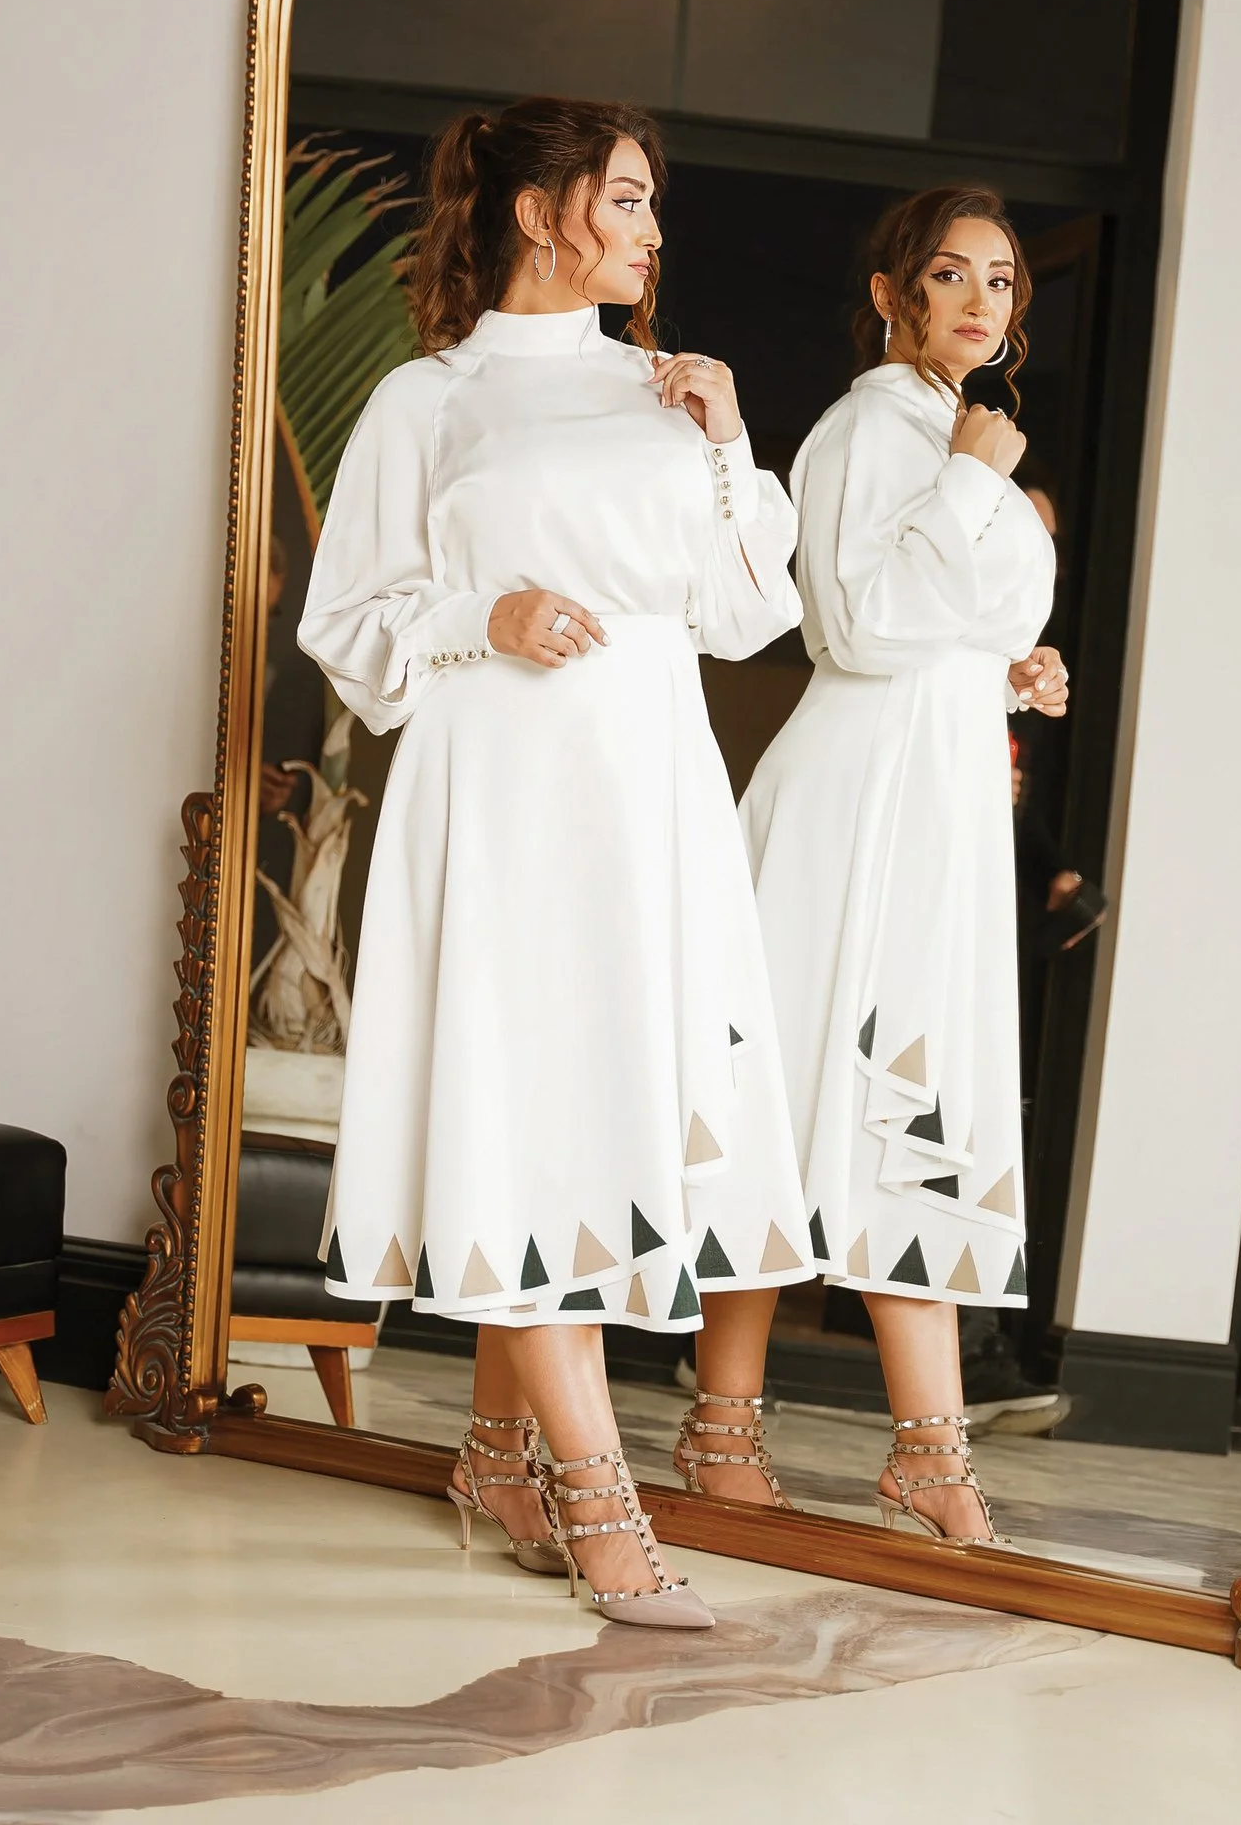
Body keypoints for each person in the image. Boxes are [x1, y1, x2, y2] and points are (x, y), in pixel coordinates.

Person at [297, 97, 812, 1627]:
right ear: (541, 212)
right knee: (531, 1090)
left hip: (649, 769)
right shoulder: (425, 402)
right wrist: (483, 617)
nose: (653, 235)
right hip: (500, 772)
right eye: (630, 200)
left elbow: (746, 611)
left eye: (653, 208)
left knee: (615, 1090)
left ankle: (500, 1460)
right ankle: (599, 1513)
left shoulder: (665, 392)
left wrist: (724, 441)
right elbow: (352, 627)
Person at [688, 185, 1069, 1546]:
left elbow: (959, 618)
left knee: (926, 1096)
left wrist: (1022, 670)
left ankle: (928, 1451)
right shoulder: (868, 429)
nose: (981, 300)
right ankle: (725, 1424)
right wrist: (972, 481)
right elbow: (850, 628)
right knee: (791, 1091)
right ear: (893, 293)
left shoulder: (963, 431)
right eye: (952, 276)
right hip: (854, 797)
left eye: (1003, 281)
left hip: (945, 796)